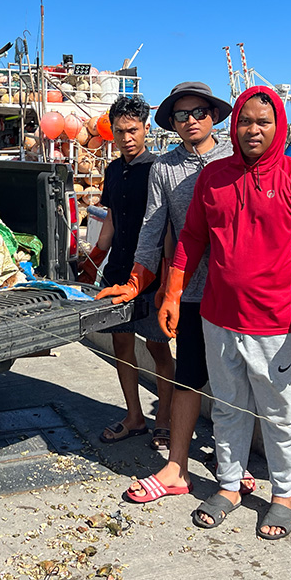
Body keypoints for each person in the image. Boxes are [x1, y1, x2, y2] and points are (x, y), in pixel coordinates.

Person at [157, 85, 291, 539]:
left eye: (263, 122)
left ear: (280, 126)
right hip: (218, 317)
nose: (253, 130)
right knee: (229, 408)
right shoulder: (214, 178)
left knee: (278, 412)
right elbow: (191, 239)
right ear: (233, 125)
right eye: (245, 121)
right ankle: (230, 486)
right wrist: (173, 294)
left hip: (275, 323)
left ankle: (283, 496)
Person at [97, 82, 240, 497]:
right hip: (189, 288)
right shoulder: (164, 168)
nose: (190, 120)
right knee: (191, 377)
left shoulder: (234, 158)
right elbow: (153, 228)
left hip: (236, 290)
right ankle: (175, 464)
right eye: (181, 115)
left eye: (198, 112)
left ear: (214, 115)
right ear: (172, 123)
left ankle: (232, 461)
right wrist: (138, 280)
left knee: (237, 377)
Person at [79, 96, 176, 448]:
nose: (126, 138)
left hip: (152, 275)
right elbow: (111, 223)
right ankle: (134, 416)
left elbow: (166, 229)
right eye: (119, 132)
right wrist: (91, 264)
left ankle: (163, 419)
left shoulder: (159, 170)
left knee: (159, 347)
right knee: (121, 345)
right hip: (117, 272)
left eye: (132, 130)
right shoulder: (112, 171)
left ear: (145, 128)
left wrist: (167, 284)